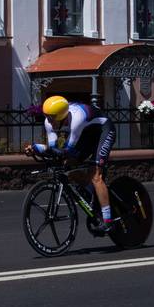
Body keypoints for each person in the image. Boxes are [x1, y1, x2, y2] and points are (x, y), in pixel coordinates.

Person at [25, 95, 116, 232]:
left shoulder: (77, 119)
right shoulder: (49, 121)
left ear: (61, 116)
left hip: (104, 130)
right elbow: (53, 147)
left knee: (96, 175)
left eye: (52, 117)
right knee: (67, 167)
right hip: (86, 134)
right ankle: (93, 196)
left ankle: (108, 221)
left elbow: (65, 151)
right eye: (47, 116)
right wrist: (35, 149)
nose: (49, 121)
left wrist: (38, 148)